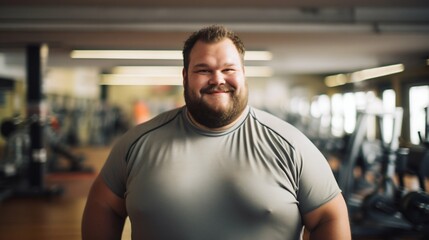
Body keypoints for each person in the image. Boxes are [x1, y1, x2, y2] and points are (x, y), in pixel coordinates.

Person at [82, 25, 351, 240]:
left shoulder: (291, 145)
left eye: (228, 69)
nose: (217, 79)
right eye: (203, 70)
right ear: (185, 76)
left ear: (243, 74)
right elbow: (104, 204)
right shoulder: (136, 143)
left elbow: (330, 216)